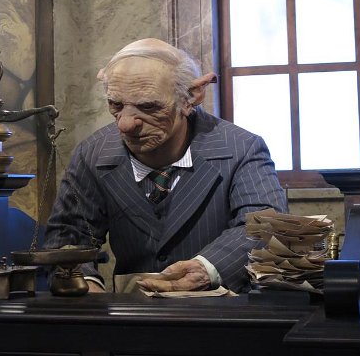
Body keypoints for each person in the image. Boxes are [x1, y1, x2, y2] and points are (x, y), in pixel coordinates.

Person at [44, 38, 287, 293]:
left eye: (148, 106)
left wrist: (206, 270)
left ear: (192, 96)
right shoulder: (92, 153)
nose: (125, 124)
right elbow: (67, 236)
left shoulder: (242, 148)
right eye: (116, 104)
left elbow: (266, 228)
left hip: (220, 309)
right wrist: (85, 286)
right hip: (131, 312)